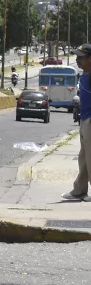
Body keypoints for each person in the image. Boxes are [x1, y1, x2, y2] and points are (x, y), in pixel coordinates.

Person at [61, 44, 91, 201]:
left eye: (81, 57)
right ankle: (79, 190)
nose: (77, 60)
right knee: (84, 158)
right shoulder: (85, 74)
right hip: (85, 119)